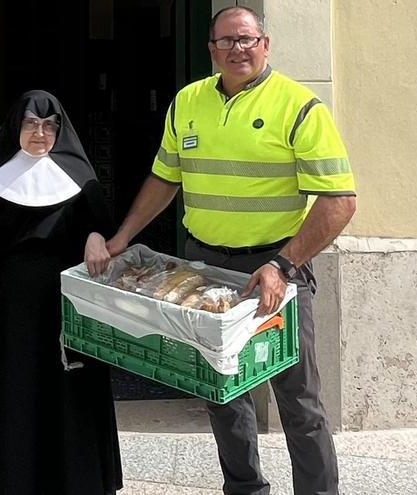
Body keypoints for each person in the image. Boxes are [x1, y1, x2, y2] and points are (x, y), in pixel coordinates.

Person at [90, 6, 356, 495]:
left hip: (275, 268)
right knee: (220, 389)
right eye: (227, 42)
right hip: (206, 267)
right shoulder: (187, 102)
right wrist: (123, 235)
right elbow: (164, 178)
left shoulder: (299, 106)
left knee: (298, 400)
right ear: (211, 49)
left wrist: (284, 264)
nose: (238, 49)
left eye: (247, 40)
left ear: (266, 44)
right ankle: (245, 488)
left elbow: (340, 200)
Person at [0, 90, 123, 495]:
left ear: (59, 130)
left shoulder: (80, 178)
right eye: (30, 123)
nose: (40, 132)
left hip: (69, 306)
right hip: (13, 308)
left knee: (71, 393)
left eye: (48, 125)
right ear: (16, 127)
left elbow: (103, 227)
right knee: (15, 390)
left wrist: (97, 234)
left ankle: (75, 481)